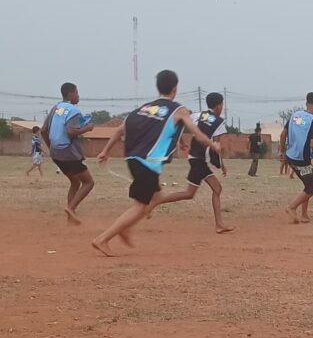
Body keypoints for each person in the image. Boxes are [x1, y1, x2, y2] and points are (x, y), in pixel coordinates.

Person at [91, 70, 222, 256]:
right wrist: (213, 144)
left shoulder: (143, 108)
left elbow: (120, 129)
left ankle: (126, 229)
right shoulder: (178, 110)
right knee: (139, 206)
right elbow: (197, 133)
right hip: (148, 163)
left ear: (158, 87)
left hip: (133, 159)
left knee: (157, 198)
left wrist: (105, 151)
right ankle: (102, 239)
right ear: (175, 88)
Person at [147, 92, 234, 233]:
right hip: (199, 160)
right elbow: (216, 146)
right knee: (189, 193)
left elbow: (179, 124)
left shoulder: (197, 115)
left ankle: (219, 224)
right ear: (219, 106)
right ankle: (157, 201)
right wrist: (222, 165)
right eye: (222, 105)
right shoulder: (219, 122)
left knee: (216, 189)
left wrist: (180, 141)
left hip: (195, 158)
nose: (222, 107)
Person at [41, 82, 95, 224]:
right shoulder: (73, 111)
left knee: (75, 182)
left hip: (56, 153)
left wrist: (50, 147)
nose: (78, 96)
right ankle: (71, 208)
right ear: (71, 93)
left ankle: (71, 218)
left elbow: (43, 130)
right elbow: (70, 131)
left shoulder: (55, 108)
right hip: (68, 153)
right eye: (77, 92)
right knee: (89, 182)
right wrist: (87, 128)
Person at [279, 92, 313, 224]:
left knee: (308, 184)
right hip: (302, 160)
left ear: (307, 103)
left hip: (290, 156)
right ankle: (291, 207)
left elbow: (283, 134)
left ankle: (304, 215)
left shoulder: (295, 116)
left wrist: (282, 151)